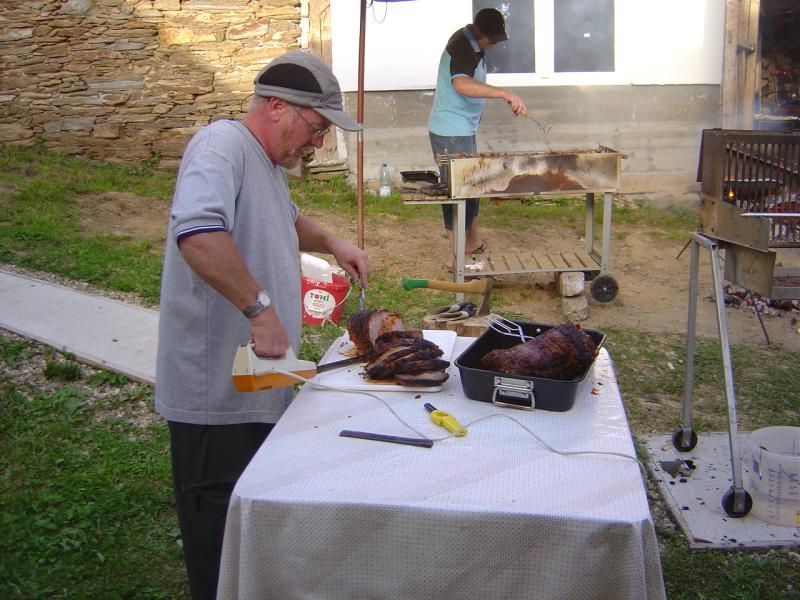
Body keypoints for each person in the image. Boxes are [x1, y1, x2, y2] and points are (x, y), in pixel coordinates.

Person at [154, 51, 369, 600]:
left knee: (254, 528)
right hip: (215, 396)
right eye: (317, 127)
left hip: (259, 381)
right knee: (219, 538)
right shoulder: (220, 146)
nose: (319, 142)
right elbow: (199, 233)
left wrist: (333, 242)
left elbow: (288, 220)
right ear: (278, 107)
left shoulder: (265, 163)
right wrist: (261, 311)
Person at [428, 7, 528, 272]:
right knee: (457, 191)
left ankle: (471, 243)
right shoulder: (462, 46)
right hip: (450, 133)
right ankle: (455, 258)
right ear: (479, 32)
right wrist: (503, 93)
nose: (493, 45)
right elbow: (461, 84)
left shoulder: (474, 45)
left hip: (463, 130)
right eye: (491, 40)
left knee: (472, 187)